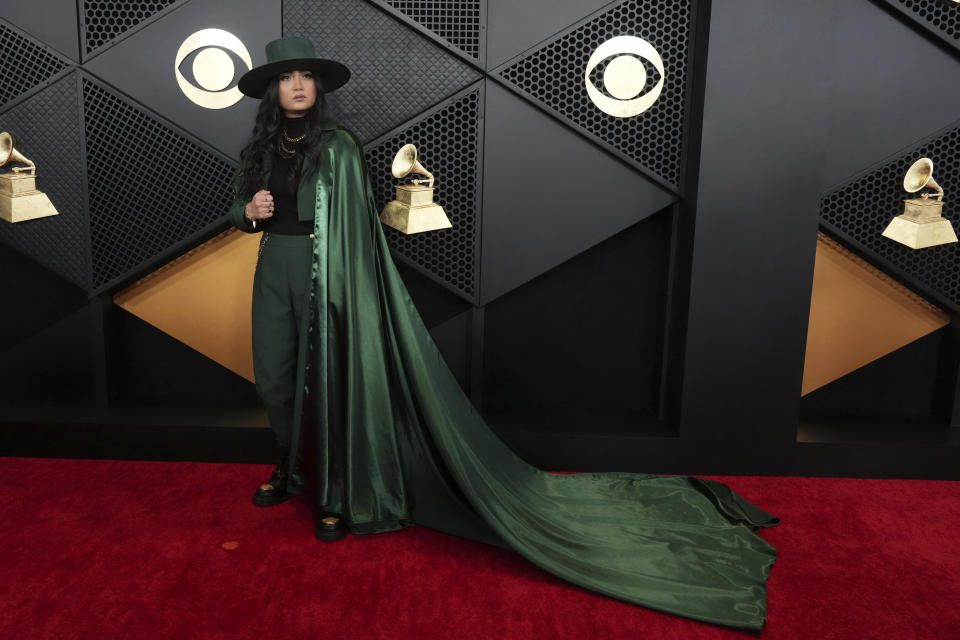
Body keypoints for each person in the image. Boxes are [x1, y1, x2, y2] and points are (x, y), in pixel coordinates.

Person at [229, 36, 779, 631]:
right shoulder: (260, 151)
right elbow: (237, 210)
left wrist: (338, 282)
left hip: (329, 277)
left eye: (307, 75)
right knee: (276, 377)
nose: (298, 86)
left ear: (318, 86)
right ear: (272, 90)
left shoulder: (337, 146)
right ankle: (292, 471)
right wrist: (247, 213)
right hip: (274, 269)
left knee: (331, 378)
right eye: (287, 78)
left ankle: (334, 496)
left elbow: (354, 228)